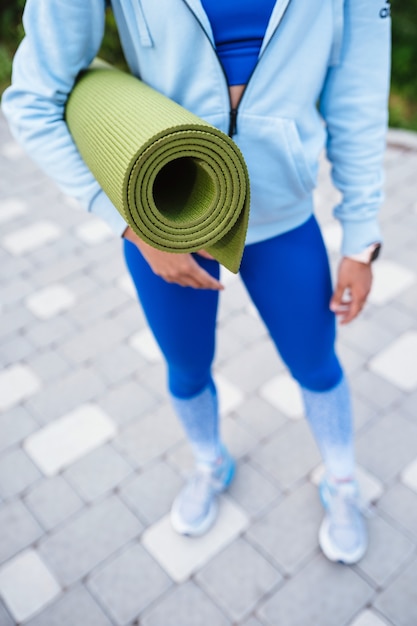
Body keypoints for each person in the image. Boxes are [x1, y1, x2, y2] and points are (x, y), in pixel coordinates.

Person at [2, 0, 390, 564]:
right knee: (185, 366)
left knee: (317, 362)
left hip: (282, 214)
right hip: (165, 215)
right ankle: (209, 462)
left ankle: (342, 478)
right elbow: (35, 99)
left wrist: (361, 236)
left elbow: (357, 99)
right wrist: (131, 224)